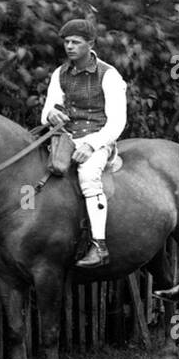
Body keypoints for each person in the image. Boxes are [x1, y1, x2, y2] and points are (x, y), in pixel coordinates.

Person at [41, 18, 128, 268]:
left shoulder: (109, 75)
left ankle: (99, 246)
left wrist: (92, 145)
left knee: (88, 175)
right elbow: (48, 107)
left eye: (75, 42)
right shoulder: (60, 73)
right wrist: (51, 115)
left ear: (90, 44)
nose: (69, 47)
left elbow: (117, 122)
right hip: (66, 136)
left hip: (98, 139)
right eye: (66, 42)